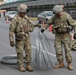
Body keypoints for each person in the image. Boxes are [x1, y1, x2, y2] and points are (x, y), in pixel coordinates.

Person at [41, 5, 76, 70]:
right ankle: (60, 63)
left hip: (66, 35)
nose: (57, 15)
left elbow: (74, 24)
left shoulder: (66, 16)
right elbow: (49, 23)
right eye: (56, 14)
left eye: (57, 13)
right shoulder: (54, 17)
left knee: (67, 50)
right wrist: (44, 28)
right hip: (58, 35)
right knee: (58, 50)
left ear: (60, 11)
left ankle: (69, 63)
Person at [9, 4, 40, 72]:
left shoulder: (26, 17)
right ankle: (21, 65)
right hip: (19, 39)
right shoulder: (15, 19)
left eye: (25, 12)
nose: (25, 14)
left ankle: (28, 65)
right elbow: (11, 31)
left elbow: (31, 23)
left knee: (28, 51)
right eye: (23, 12)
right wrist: (11, 40)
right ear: (20, 12)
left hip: (27, 38)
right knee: (20, 52)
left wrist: (37, 24)